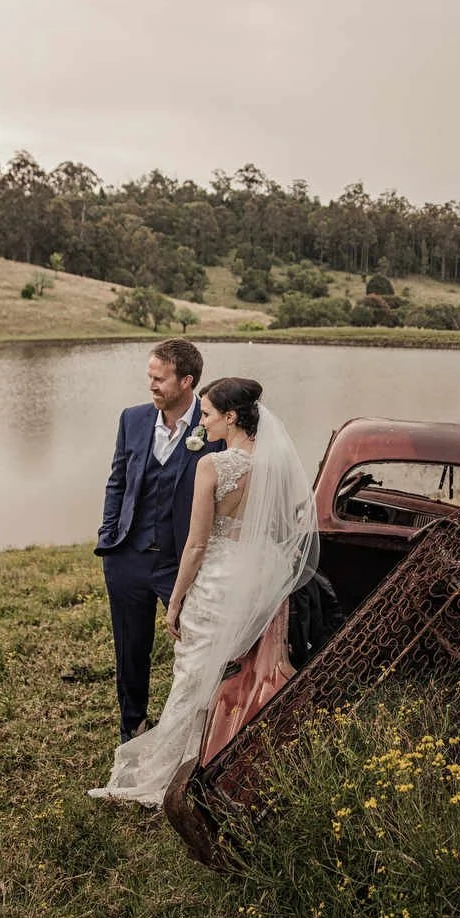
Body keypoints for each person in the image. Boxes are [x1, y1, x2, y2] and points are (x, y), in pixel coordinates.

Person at [89, 377, 318, 806]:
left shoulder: (211, 467)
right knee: (231, 672)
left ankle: (169, 771)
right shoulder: (281, 464)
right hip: (260, 577)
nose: (204, 421)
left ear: (230, 417)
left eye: (209, 413)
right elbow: (289, 525)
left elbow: (195, 545)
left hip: (217, 580)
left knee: (193, 674)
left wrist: (175, 601)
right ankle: (217, 755)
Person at [95, 339, 221, 743]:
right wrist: (108, 536)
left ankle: (198, 727)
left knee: (197, 645)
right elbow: (117, 481)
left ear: (187, 382)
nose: (150, 385)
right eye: (149, 376)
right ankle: (132, 727)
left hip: (180, 562)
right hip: (127, 556)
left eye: (159, 378)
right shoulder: (131, 419)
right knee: (130, 650)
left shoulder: (213, 429)